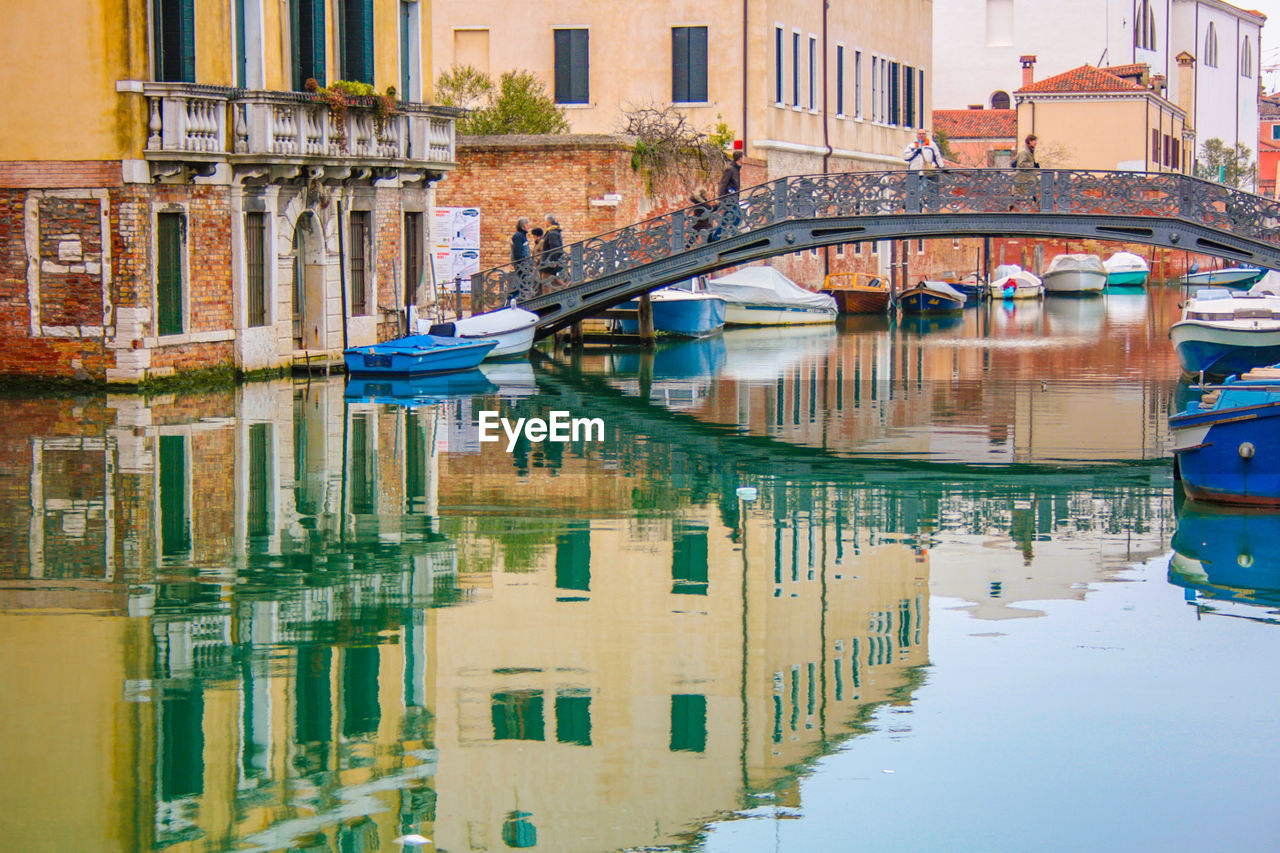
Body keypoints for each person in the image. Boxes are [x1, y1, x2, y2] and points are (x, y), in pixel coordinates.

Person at [903, 128, 944, 210]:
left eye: (923, 134)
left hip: (926, 172)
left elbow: (937, 156)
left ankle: (916, 204)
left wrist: (941, 166)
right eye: (919, 134)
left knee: (922, 188)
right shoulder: (912, 145)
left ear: (926, 135)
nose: (921, 136)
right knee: (912, 189)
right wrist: (915, 152)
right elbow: (905, 157)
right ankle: (911, 203)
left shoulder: (931, 145)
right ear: (917, 135)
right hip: (914, 172)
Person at [716, 150, 745, 232]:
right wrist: (721, 199)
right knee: (738, 217)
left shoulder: (736, 170)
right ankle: (732, 233)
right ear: (740, 158)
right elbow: (723, 184)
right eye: (743, 157)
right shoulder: (730, 169)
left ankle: (716, 236)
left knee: (726, 219)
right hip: (729, 199)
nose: (744, 159)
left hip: (734, 199)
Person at [538, 214, 565, 290]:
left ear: (548, 222)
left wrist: (554, 261)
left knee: (545, 280)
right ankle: (567, 288)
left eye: (545, 221)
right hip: (548, 261)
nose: (545, 223)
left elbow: (555, 248)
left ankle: (546, 299)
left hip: (549, 262)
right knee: (551, 278)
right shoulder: (553, 232)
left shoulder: (552, 232)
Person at [1015, 134, 1040, 206]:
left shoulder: (1029, 151)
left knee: (1032, 193)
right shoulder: (1025, 152)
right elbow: (1021, 164)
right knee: (1019, 196)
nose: (1036, 143)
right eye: (1034, 141)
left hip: (1027, 179)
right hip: (1023, 179)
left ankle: (1038, 206)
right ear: (1030, 141)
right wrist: (1033, 165)